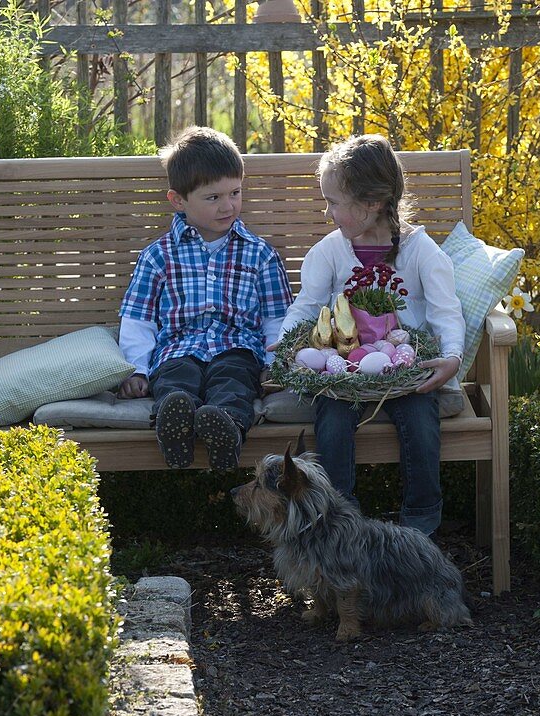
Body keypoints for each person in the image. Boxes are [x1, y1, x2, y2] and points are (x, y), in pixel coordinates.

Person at [276, 134, 464, 537]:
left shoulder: (420, 252)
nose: (328, 213)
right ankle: (342, 524)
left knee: (420, 423)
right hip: (342, 372)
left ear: (372, 203)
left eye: (333, 202)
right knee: (332, 422)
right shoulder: (330, 251)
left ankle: (420, 523)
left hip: (405, 371)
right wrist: (287, 340)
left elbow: (446, 310)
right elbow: (307, 305)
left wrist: (451, 357)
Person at [118, 126, 293, 470]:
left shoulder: (260, 254)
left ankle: (226, 427)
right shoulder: (158, 256)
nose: (228, 206)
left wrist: (275, 364)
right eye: (213, 197)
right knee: (174, 382)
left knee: (234, 383)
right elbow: (138, 320)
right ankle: (175, 426)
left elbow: (277, 317)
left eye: (235, 193)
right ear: (179, 200)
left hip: (237, 348)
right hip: (176, 350)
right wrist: (136, 369)